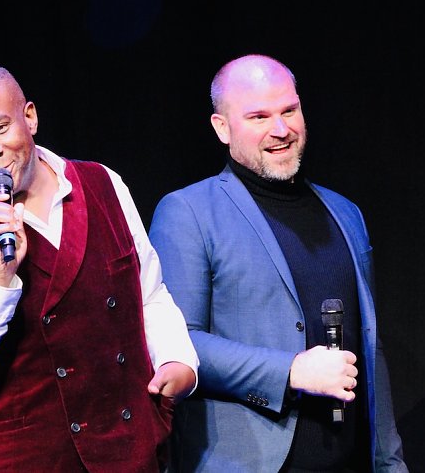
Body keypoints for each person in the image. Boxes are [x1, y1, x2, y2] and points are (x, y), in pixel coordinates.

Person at [0, 64, 199, 472]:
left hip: (125, 453)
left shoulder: (102, 184)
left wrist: (177, 360)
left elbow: (149, 294)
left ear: (30, 118)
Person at [148, 54, 408, 472]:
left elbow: (370, 348)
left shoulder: (346, 214)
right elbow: (180, 343)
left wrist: (390, 462)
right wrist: (290, 371)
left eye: (290, 110)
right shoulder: (189, 212)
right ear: (222, 127)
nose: (281, 130)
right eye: (259, 117)